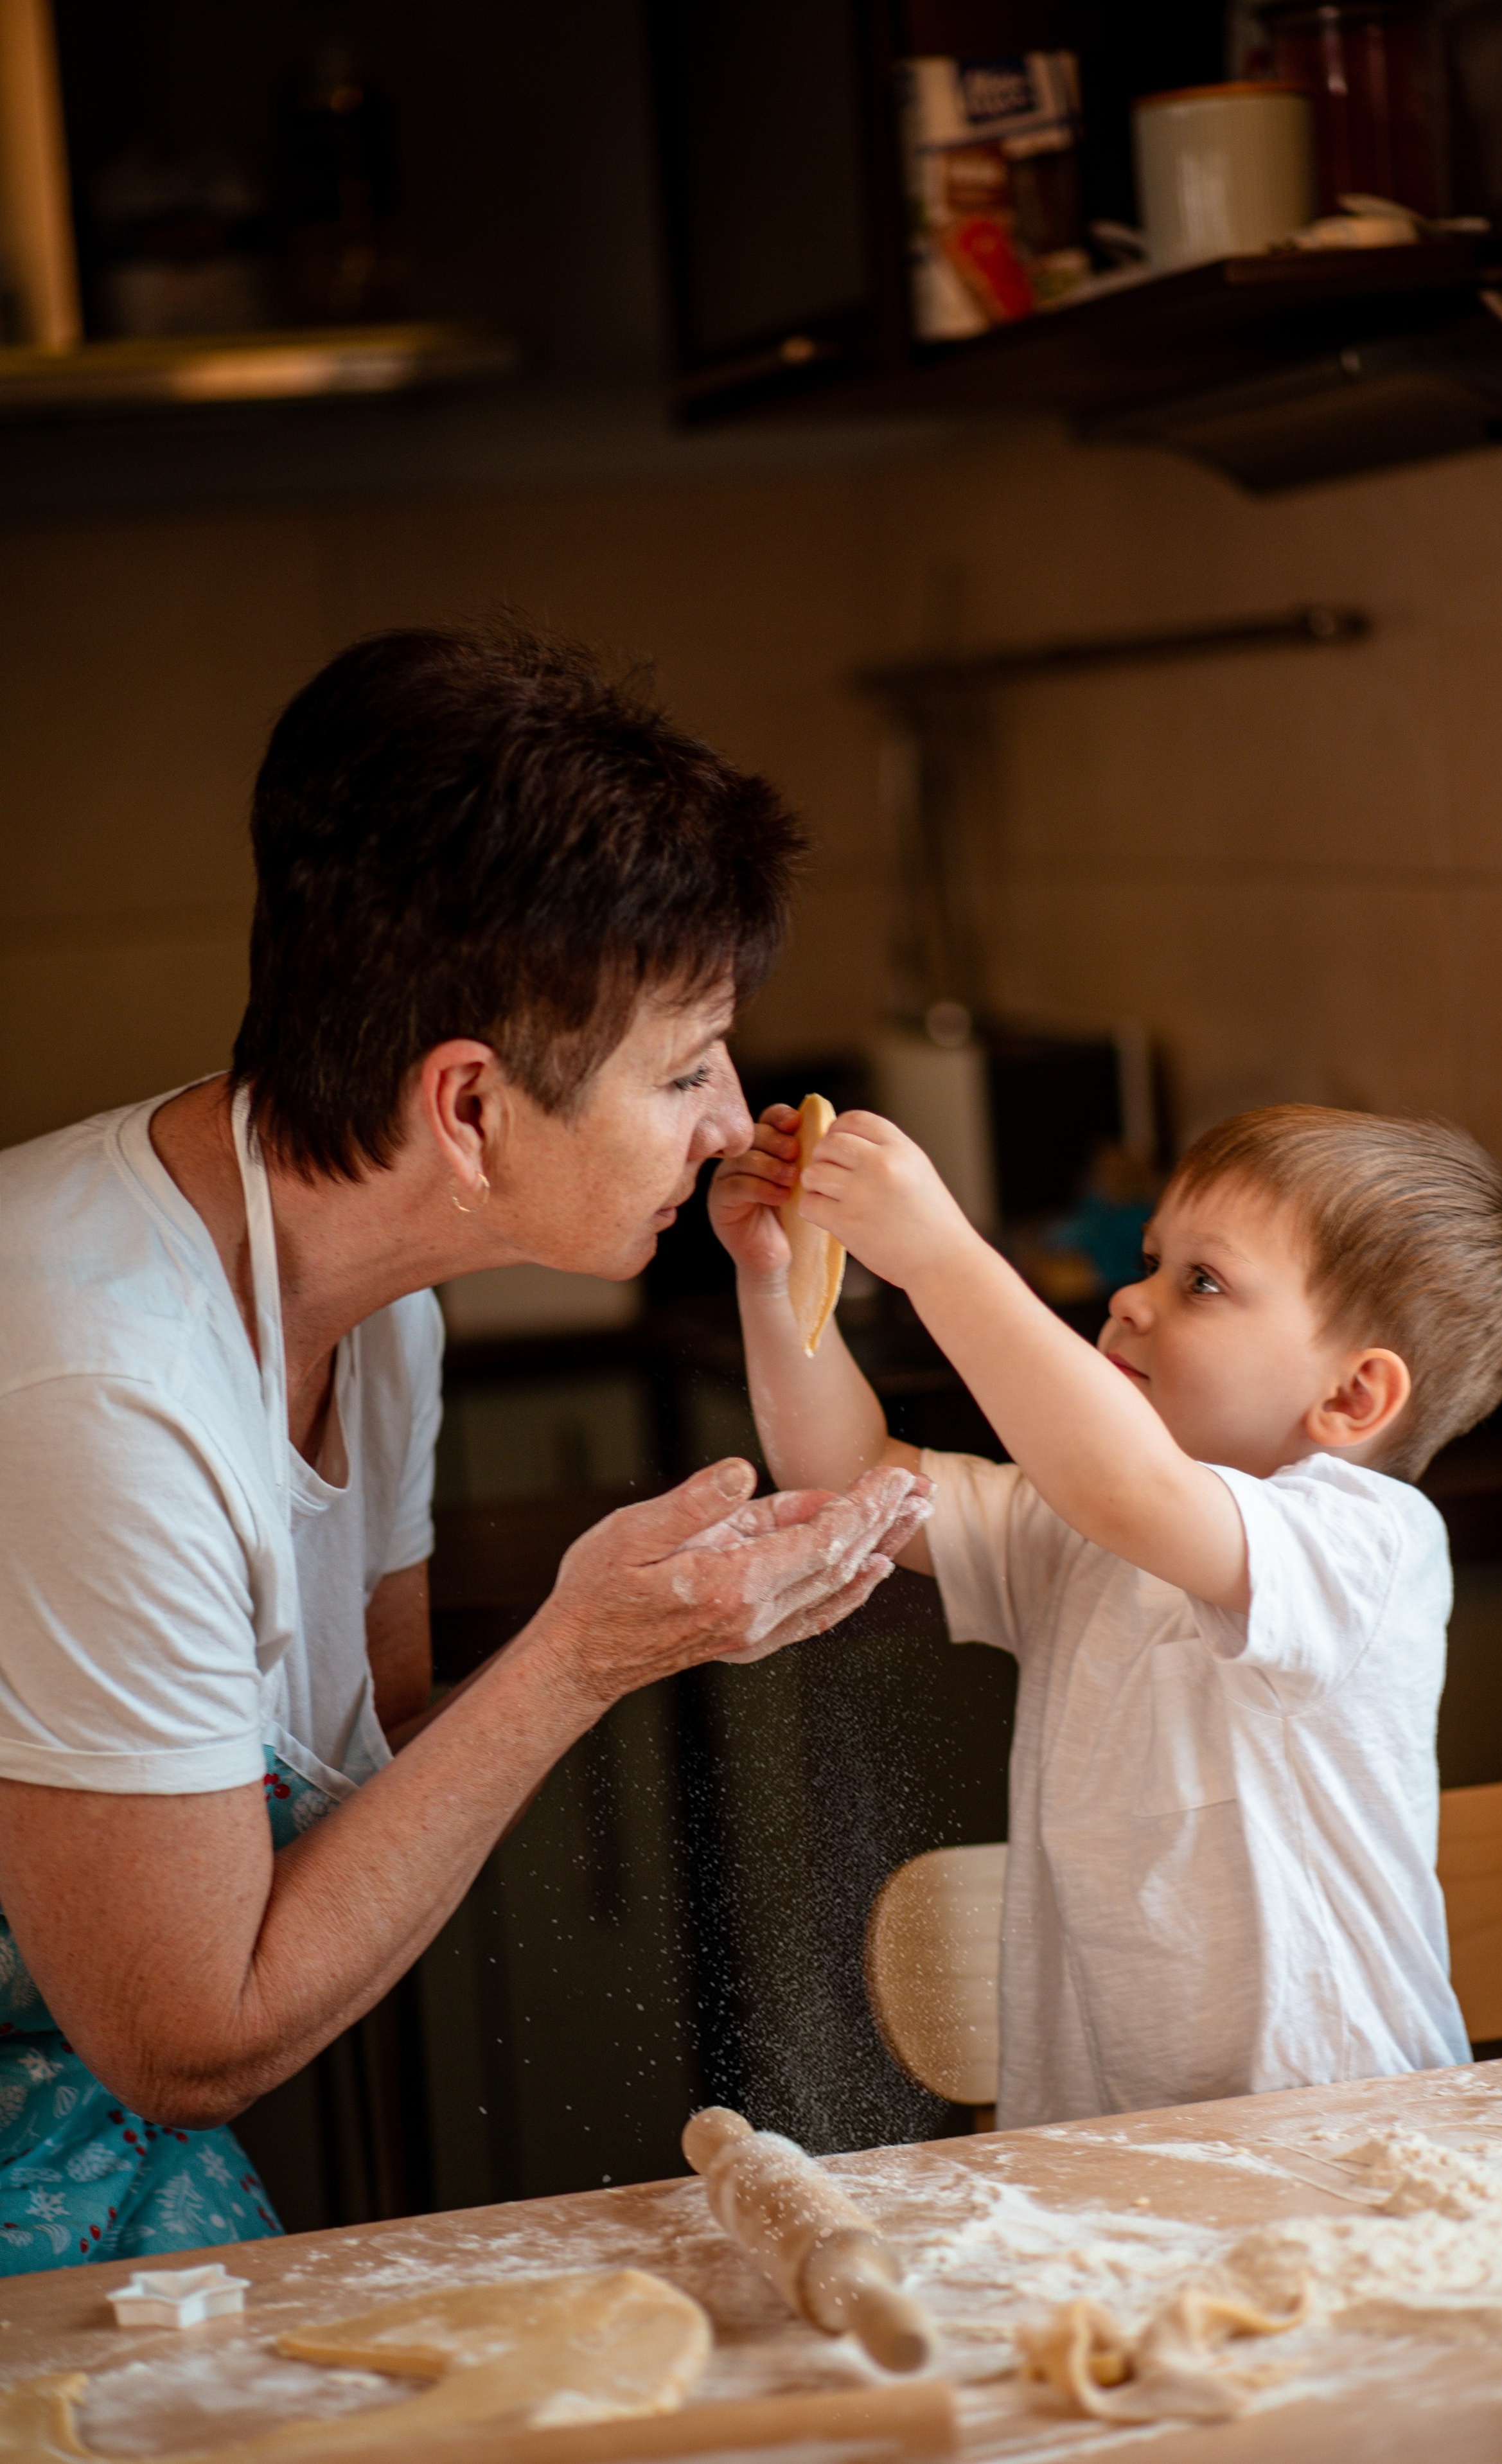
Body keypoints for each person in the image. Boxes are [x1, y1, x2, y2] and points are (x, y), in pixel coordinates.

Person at [0, 625, 928, 2271]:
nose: (732, 1120)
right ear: (469, 1106)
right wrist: (580, 1655)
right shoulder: (94, 1388)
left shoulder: (383, 1313)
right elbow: (187, 2035)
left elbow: (388, 1768)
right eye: (680, 1068)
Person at [710, 1099, 1502, 2128]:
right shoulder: (1074, 1525)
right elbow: (853, 1474)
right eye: (1150, 1261)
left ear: (1354, 1398)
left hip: (1342, 2142)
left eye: (1202, 1282)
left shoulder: (1366, 1545)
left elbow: (1132, 1489)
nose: (1131, 1299)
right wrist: (776, 1280)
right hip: (1097, 2144)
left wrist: (940, 1258)